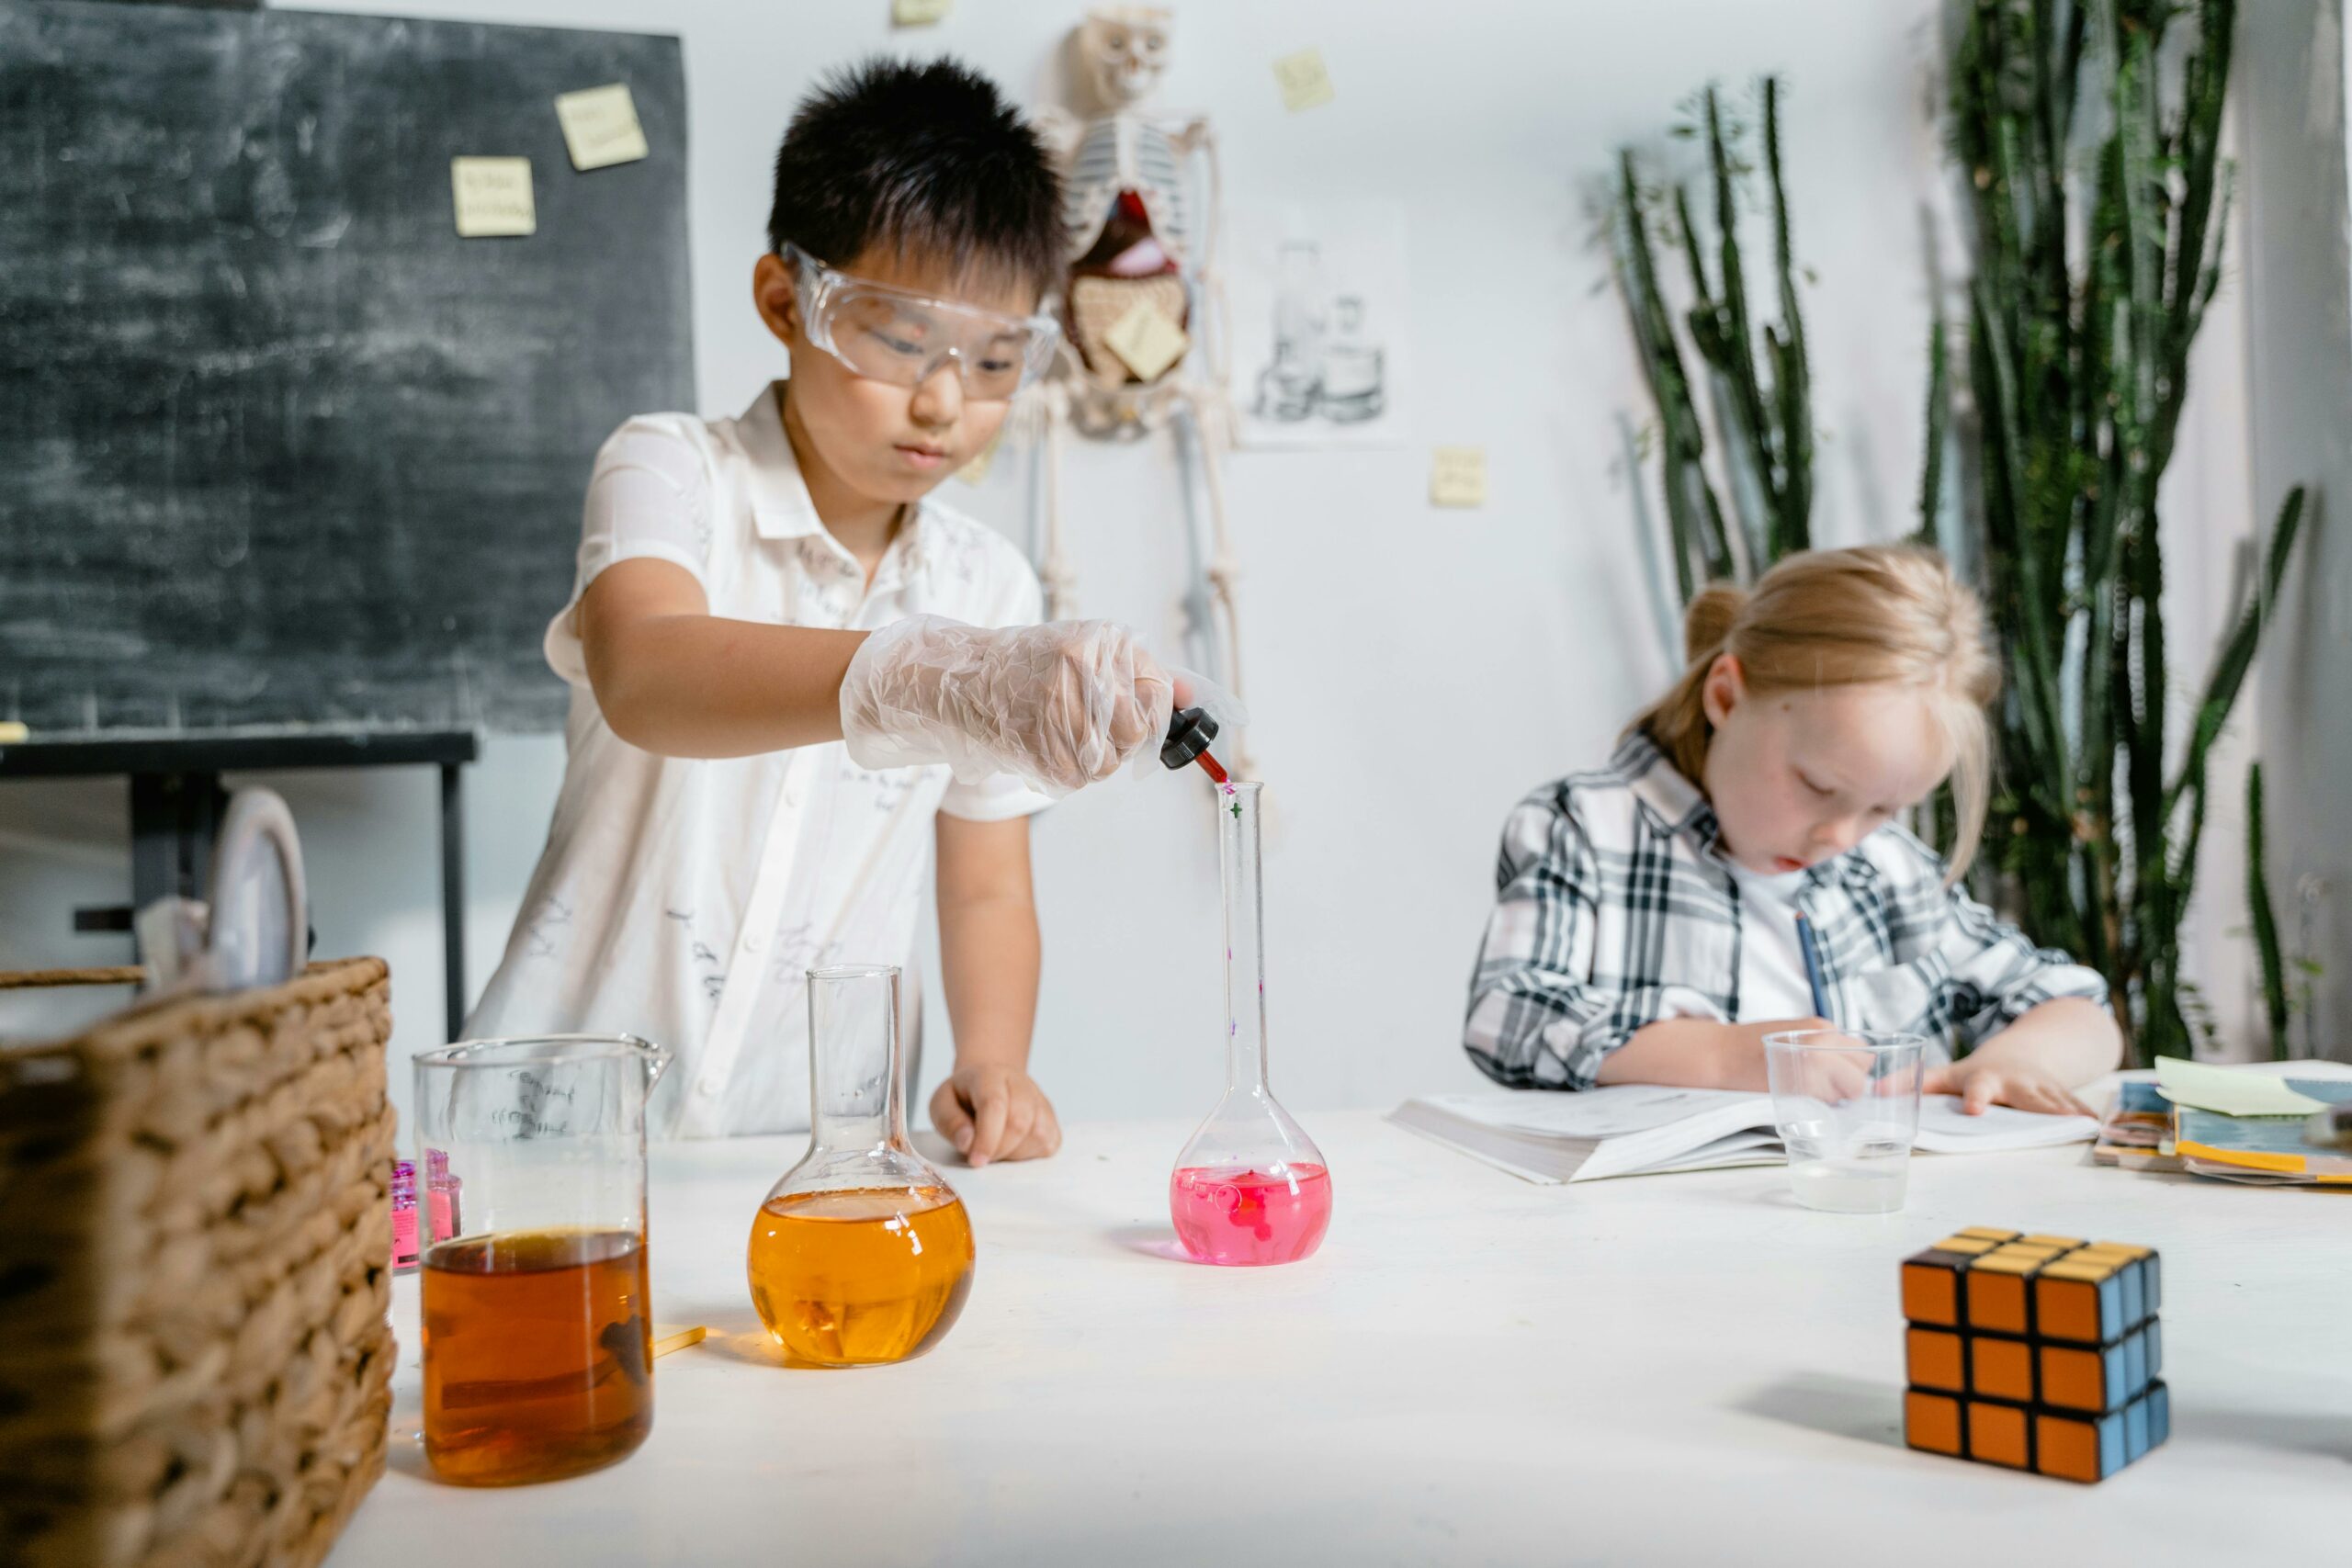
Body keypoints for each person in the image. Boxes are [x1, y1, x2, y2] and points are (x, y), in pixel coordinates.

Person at [466, 58, 1172, 1159]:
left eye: (994, 360)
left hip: (816, 1147)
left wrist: (994, 1059)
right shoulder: (672, 470)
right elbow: (648, 674)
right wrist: (918, 677)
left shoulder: (986, 585)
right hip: (557, 1124)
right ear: (786, 302)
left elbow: (985, 880)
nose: (943, 400)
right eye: (898, 340)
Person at [1464, 544, 2120, 1114]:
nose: (1840, 836)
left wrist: (2018, 1062)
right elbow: (1507, 1014)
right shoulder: (1583, 828)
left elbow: (2076, 1006)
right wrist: (1723, 1056)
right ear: (1725, 697)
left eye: (1883, 809)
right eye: (1819, 787)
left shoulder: (1887, 869)